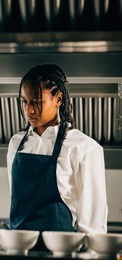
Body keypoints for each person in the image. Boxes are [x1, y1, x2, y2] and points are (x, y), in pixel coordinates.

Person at [7, 64, 108, 249]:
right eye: (24, 101)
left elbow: (93, 223)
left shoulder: (83, 147)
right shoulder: (16, 143)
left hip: (61, 254)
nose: (29, 110)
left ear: (58, 99)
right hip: (18, 252)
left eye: (36, 102)